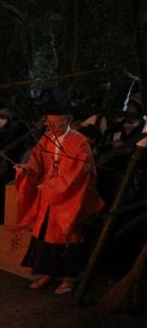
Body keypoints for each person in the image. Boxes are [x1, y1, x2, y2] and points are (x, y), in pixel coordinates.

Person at [16, 110, 104, 294]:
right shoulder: (46, 139)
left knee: (68, 234)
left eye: (57, 123)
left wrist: (55, 185)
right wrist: (27, 170)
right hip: (49, 195)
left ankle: (68, 278)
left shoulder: (79, 141)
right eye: (50, 123)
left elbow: (81, 171)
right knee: (45, 234)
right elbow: (36, 162)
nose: (53, 127)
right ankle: (48, 273)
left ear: (68, 120)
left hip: (70, 196)